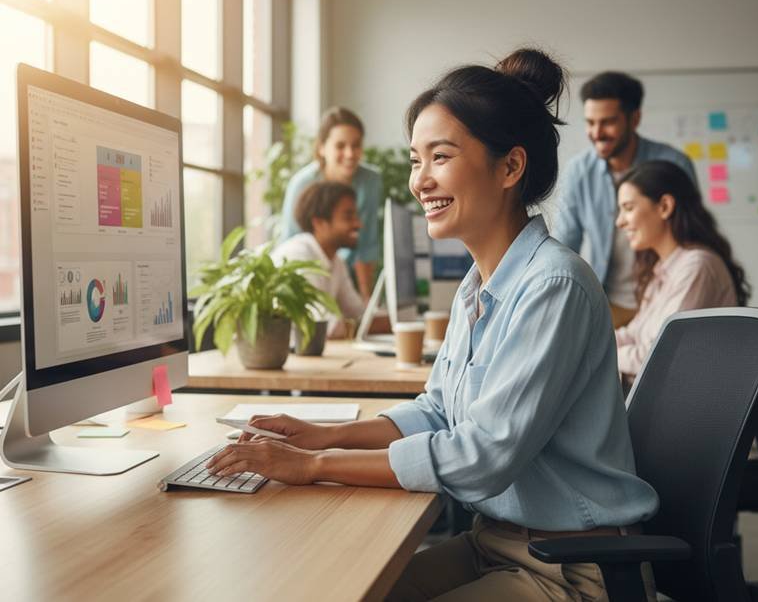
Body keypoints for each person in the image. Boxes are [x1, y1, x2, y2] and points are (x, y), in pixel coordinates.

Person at [208, 48, 658, 601]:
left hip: (572, 567)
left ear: (510, 167)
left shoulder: (552, 285)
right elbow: (437, 410)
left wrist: (315, 465)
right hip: (496, 544)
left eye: (439, 157)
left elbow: (482, 455)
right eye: (415, 160)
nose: (420, 181)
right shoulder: (480, 285)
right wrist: (323, 435)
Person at [553, 71, 698, 329]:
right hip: (609, 302)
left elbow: (691, 237)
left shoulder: (673, 164)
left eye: (608, 122)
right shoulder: (578, 171)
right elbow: (566, 244)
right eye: (590, 122)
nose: (597, 133)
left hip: (664, 297)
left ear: (635, 119)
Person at [615, 160, 749, 381]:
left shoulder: (697, 267)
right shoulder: (662, 269)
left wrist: (604, 354)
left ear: (665, 206)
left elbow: (660, 355)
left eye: (628, 208)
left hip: (684, 406)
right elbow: (632, 334)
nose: (620, 222)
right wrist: (591, 344)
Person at [279, 107, 382, 301]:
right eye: (340, 146)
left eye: (356, 145)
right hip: (306, 274)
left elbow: (365, 243)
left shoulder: (370, 181)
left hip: (343, 273)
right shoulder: (302, 184)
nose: (350, 154)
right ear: (321, 148)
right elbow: (291, 243)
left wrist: (366, 300)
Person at [271, 181, 365, 339]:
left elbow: (357, 312)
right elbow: (325, 325)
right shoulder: (298, 255)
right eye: (348, 216)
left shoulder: (336, 262)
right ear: (319, 223)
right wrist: (361, 326)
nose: (358, 224)